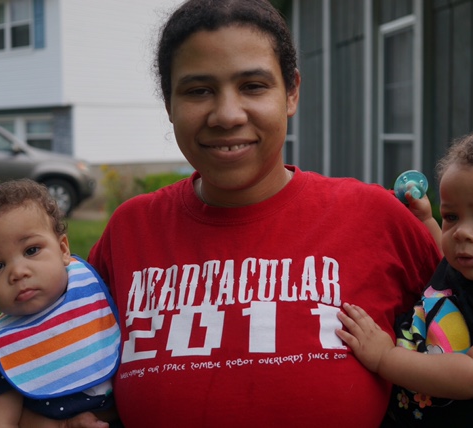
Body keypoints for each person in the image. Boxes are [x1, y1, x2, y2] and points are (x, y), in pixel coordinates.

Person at [25, 0, 441, 426]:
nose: (227, 115)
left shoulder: (374, 219)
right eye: (198, 90)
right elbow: (47, 353)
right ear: (169, 103)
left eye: (253, 86)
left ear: (291, 92)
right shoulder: (130, 233)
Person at [336, 103, 473, 427]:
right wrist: (425, 220)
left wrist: (385, 357)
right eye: (452, 216)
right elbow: (444, 258)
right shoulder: (466, 265)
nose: (462, 233)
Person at [0, 176, 121, 427]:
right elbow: (0, 424)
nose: (18, 272)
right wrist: (63, 426)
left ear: (63, 249)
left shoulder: (99, 293)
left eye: (31, 250)